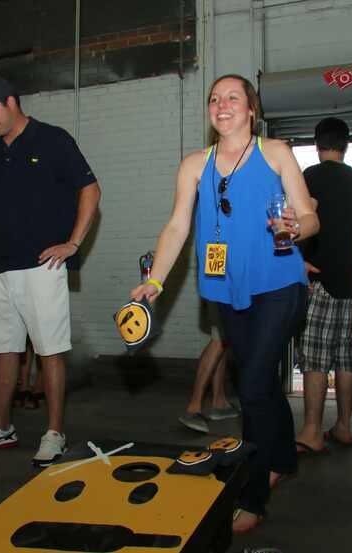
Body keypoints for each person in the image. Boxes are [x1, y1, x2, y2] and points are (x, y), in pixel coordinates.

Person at [131, 74, 319, 533]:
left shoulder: (275, 153)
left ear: (250, 108)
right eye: (214, 99)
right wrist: (155, 279)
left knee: (253, 385)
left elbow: (310, 215)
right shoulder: (195, 164)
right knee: (260, 384)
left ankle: (252, 496)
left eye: (232, 97)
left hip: (279, 286)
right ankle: (282, 458)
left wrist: (298, 227)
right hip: (226, 291)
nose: (222, 105)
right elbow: (177, 227)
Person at [0, 77, 101, 466]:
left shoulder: (52, 139)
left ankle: (55, 431)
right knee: (4, 350)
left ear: (12, 102)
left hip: (42, 265)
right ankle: (1, 426)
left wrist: (73, 243)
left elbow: (90, 190)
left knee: (50, 350)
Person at [295, 117, 352, 455]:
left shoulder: (309, 178)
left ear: (317, 145)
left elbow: (298, 221)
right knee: (346, 358)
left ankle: (312, 432)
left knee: (315, 358)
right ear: (346, 145)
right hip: (348, 282)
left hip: (318, 280)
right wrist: (346, 231)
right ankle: (343, 427)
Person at [178, 301, 238, 433]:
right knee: (219, 340)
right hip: (222, 288)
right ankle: (193, 409)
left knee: (222, 339)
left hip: (220, 288)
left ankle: (220, 402)